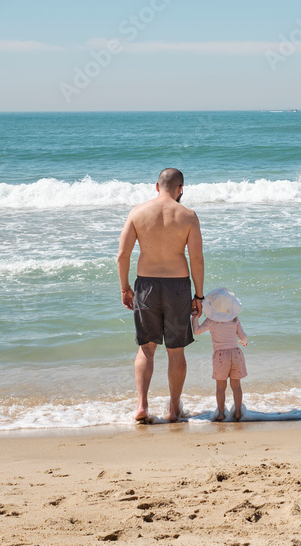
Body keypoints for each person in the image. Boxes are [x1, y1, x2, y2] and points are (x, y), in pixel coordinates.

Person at [117, 168, 204, 424]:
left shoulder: (138, 212)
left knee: (147, 348)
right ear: (180, 189)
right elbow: (196, 259)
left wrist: (125, 287)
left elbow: (122, 255)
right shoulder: (188, 215)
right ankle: (174, 410)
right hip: (178, 286)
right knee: (176, 351)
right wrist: (198, 294)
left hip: (146, 285)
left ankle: (142, 406)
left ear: (157, 186)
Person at [192, 287, 248, 422]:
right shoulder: (234, 319)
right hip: (236, 353)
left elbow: (197, 331)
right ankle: (238, 412)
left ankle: (221, 413)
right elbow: (243, 337)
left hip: (220, 356)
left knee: (220, 387)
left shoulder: (211, 321)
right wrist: (243, 341)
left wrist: (195, 318)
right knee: (236, 386)